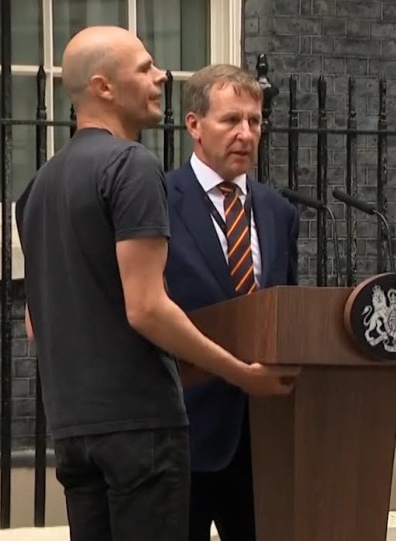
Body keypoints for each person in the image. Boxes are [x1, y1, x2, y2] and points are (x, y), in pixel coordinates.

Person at [18, 27, 299, 541]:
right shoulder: (131, 165)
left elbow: (35, 321)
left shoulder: (37, 186)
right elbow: (147, 307)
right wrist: (240, 373)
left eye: (254, 121)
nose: (162, 76)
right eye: (146, 68)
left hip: (74, 427)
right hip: (142, 427)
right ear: (104, 87)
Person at [162, 64, 300, 541]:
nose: (246, 134)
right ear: (195, 125)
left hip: (262, 436)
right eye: (231, 121)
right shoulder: (158, 199)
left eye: (255, 121)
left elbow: (285, 310)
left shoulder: (279, 211)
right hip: (185, 430)